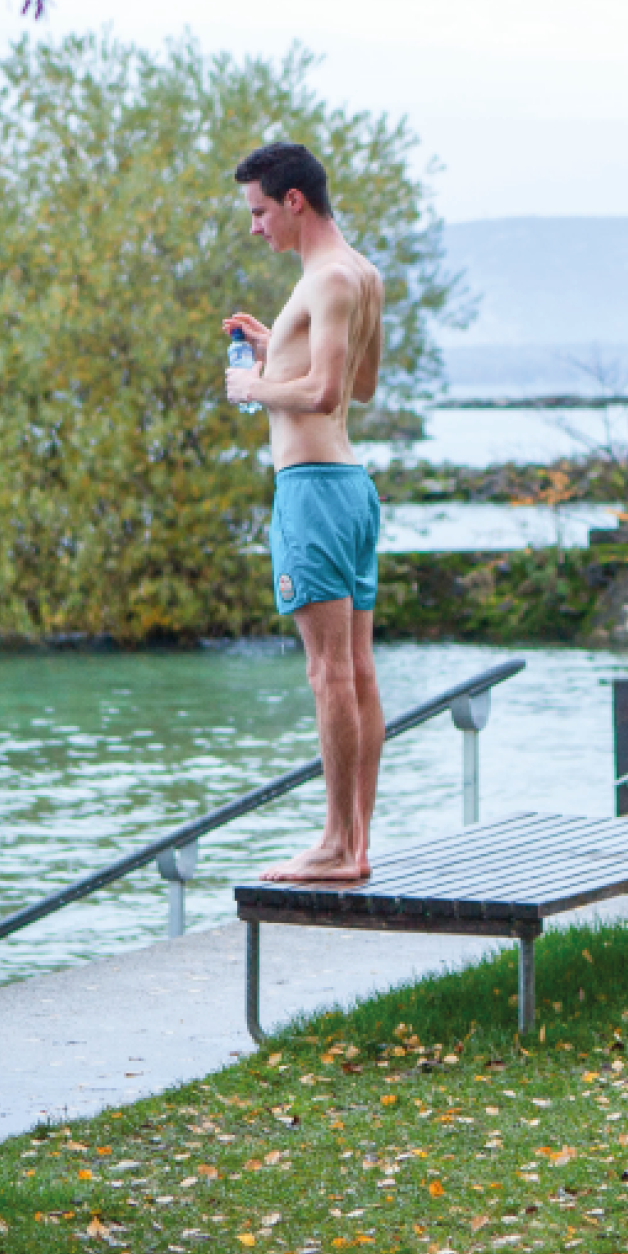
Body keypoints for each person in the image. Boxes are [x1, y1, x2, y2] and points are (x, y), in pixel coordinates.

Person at [221, 140, 390, 883]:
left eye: (259, 211)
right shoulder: (362, 274)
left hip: (314, 489)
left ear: (293, 200)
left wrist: (255, 388)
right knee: (355, 667)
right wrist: (273, 347)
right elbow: (365, 384)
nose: (255, 226)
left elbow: (324, 392)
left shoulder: (323, 279)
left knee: (328, 674)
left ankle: (336, 845)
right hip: (352, 487)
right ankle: (355, 843)